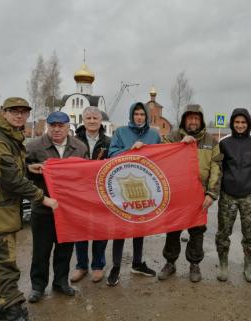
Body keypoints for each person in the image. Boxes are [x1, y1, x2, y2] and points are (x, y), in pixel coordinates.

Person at [0, 97, 58, 321]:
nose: (19, 115)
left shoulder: (8, 136)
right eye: (14, 111)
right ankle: (14, 312)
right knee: (4, 268)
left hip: (1, 213)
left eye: (24, 112)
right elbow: (10, 179)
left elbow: (11, 169)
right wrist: (43, 198)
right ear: (3, 112)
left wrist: (29, 167)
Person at [26, 111, 88, 303]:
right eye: (53, 125)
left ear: (68, 127)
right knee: (41, 250)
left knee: (65, 249)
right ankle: (38, 287)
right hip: (43, 207)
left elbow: (85, 175)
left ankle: (61, 282)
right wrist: (33, 168)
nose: (57, 129)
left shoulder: (79, 147)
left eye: (61, 125)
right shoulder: (34, 146)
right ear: (48, 127)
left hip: (68, 209)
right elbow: (22, 174)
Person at [158, 104, 222, 283]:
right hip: (176, 194)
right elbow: (160, 157)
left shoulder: (212, 142)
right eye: (190, 118)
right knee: (173, 230)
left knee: (197, 231)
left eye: (196, 118)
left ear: (200, 120)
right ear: (184, 119)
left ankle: (194, 264)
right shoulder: (172, 137)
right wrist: (180, 144)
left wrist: (211, 193)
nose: (193, 121)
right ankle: (170, 263)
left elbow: (217, 168)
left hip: (199, 195)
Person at [106, 102, 160, 286]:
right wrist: (130, 150)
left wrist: (184, 144)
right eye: (136, 113)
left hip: (146, 186)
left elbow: (163, 155)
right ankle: (115, 266)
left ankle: (137, 263)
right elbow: (111, 155)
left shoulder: (154, 135)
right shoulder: (120, 132)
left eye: (142, 114)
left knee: (140, 226)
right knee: (120, 227)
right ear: (131, 115)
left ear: (146, 116)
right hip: (122, 187)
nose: (139, 117)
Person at [216, 108, 251, 283]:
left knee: (250, 234)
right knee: (223, 233)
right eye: (237, 122)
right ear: (232, 124)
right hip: (228, 195)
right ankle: (223, 266)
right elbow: (219, 167)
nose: (240, 125)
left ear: (248, 124)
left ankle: (248, 267)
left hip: (249, 195)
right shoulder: (223, 143)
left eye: (243, 122)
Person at [70, 107, 110, 283]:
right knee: (80, 230)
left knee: (101, 229)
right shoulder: (73, 141)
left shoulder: (109, 142)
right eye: (88, 117)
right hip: (80, 193)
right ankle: (81, 266)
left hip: (102, 192)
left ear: (100, 120)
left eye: (95, 117)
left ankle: (98, 266)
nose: (92, 120)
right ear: (83, 120)